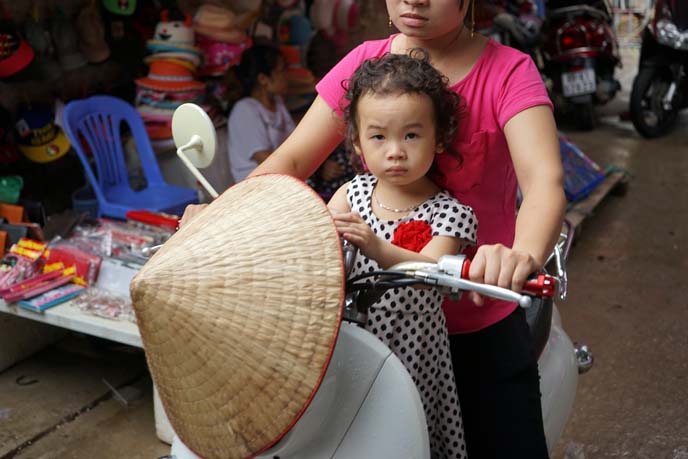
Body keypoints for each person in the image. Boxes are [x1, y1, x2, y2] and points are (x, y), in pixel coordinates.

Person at [181, 1, 566, 457]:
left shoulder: (507, 72)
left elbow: (544, 183)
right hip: (371, 325)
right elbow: (291, 162)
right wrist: (223, 216)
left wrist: (519, 255)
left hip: (478, 321)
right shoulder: (366, 63)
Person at [328, 50, 477, 459]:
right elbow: (315, 247)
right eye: (379, 136)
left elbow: (433, 268)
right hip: (352, 339)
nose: (395, 150)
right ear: (358, 143)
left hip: (413, 347)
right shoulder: (350, 195)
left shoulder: (451, 214)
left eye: (411, 135)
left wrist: (376, 247)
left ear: (439, 138)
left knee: (402, 434)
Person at [224, 44, 295, 182]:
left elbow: (295, 138)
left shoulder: (278, 103)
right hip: (258, 188)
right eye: (282, 71)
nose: (287, 76)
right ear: (263, 79)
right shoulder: (245, 110)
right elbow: (265, 160)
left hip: (281, 178)